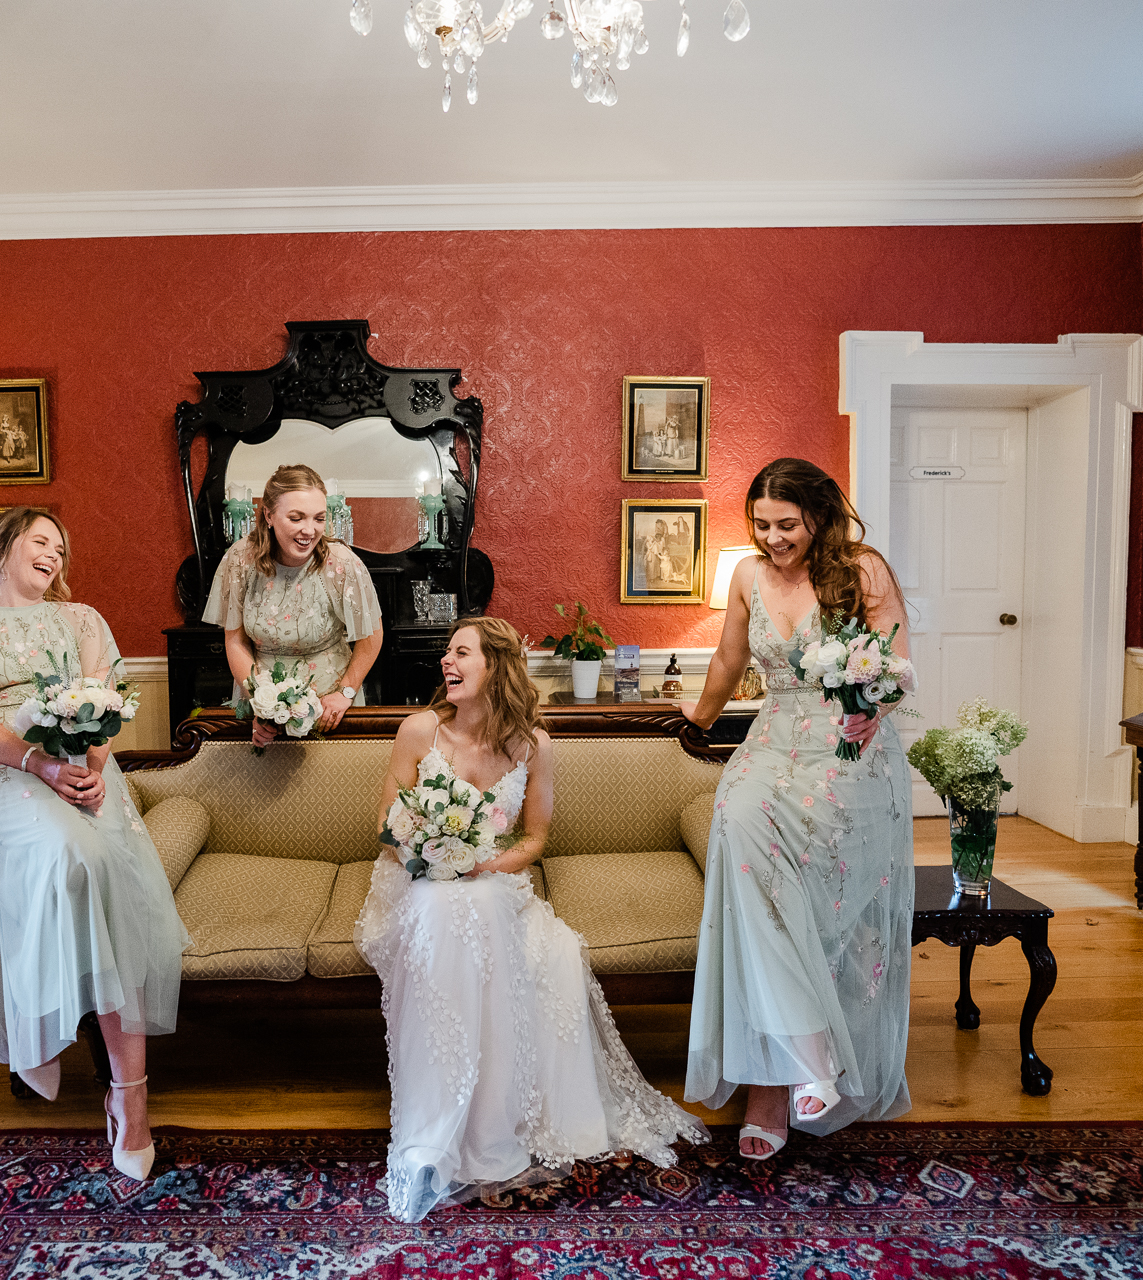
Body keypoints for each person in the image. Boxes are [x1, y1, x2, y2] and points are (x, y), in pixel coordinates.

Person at [354, 617, 706, 1223]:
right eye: (446, 653)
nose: (447, 661)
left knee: (492, 906)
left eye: (461, 652)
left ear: (496, 667)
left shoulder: (534, 745)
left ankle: (489, 1125)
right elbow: (387, 827)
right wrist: (432, 851)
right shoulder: (418, 731)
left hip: (491, 879)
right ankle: (438, 1129)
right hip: (417, 883)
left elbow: (536, 838)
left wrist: (485, 861)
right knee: (448, 907)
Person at [0, 506, 188, 1181]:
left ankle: (130, 1098)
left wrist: (92, 774)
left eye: (61, 548)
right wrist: (38, 764)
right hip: (2, 771)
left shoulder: (84, 621)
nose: (55, 555)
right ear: (4, 548)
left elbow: (105, 706)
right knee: (69, 858)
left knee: (107, 870)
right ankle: (36, 1023)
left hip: (82, 767)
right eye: (41, 542)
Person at [680, 457, 916, 1159]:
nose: (773, 537)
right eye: (761, 524)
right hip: (768, 745)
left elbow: (899, 667)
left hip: (847, 752)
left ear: (819, 515)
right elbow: (727, 661)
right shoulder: (747, 575)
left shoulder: (863, 570)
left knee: (795, 901)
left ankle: (770, 1094)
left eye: (787, 524)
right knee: (739, 830)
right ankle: (811, 1060)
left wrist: (873, 711)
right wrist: (696, 720)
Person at [204, 464, 383, 745]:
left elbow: (372, 636)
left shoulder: (342, 563)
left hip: (330, 707)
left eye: (319, 518)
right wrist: (262, 704)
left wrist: (345, 694)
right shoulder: (240, 560)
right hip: (260, 701)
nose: (309, 530)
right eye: (296, 518)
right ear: (269, 515)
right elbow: (235, 641)